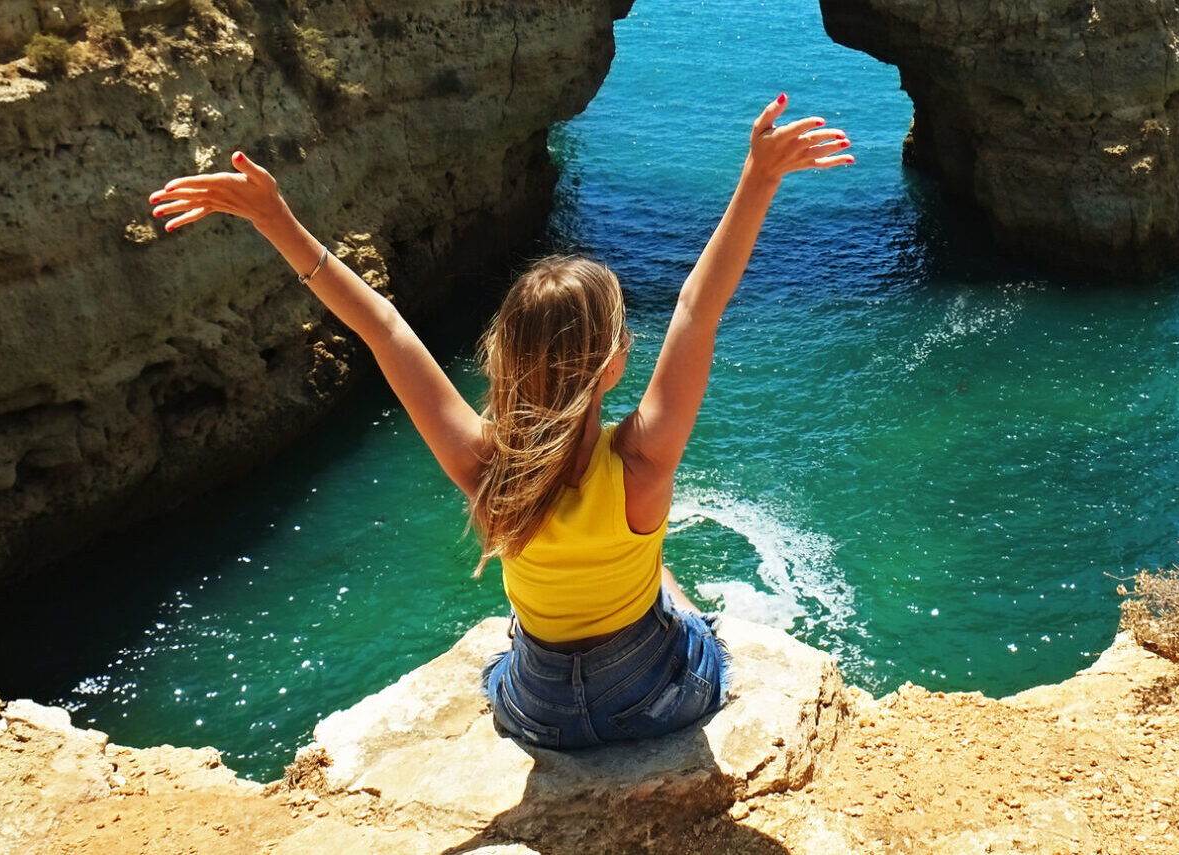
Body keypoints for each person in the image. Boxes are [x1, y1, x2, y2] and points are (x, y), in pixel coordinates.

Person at [148, 95, 852, 749]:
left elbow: (384, 329)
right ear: (612, 365)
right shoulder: (642, 461)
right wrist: (758, 179)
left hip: (538, 709)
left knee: (532, 638)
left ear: (507, 361)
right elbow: (699, 307)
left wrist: (277, 220)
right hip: (646, 696)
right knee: (696, 626)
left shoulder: (486, 463)